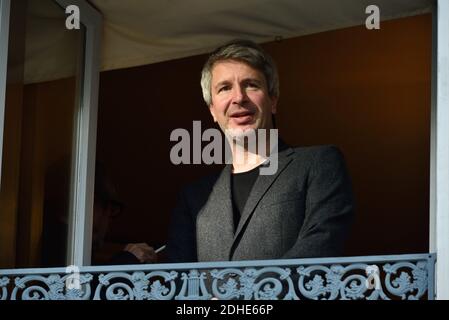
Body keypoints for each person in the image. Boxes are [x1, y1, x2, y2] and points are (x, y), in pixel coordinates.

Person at [166, 39, 355, 262]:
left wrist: (241, 297)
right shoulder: (194, 196)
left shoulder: (319, 163)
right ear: (213, 110)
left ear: (273, 100)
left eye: (251, 85)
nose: (238, 97)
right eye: (225, 88)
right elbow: (178, 277)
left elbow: (321, 245)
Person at [42, 160, 157, 266]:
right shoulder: (61, 246)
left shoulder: (61, 242)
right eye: (109, 208)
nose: (108, 220)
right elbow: (80, 286)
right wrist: (128, 259)